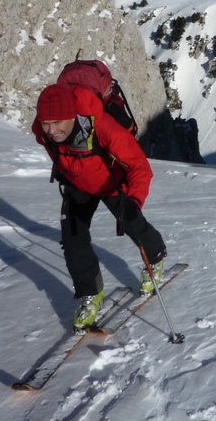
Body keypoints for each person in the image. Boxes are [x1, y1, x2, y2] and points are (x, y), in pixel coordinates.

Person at [32, 83, 167, 330]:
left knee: (132, 221)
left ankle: (155, 259)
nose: (51, 131)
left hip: (112, 182)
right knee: (73, 238)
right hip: (77, 183)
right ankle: (91, 293)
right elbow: (56, 153)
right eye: (45, 123)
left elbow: (140, 167)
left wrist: (134, 199)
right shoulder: (40, 132)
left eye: (57, 122)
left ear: (72, 115)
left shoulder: (103, 127)